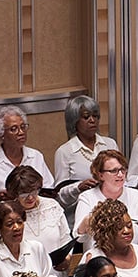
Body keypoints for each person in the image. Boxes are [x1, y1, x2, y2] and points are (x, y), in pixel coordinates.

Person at [3, 165, 74, 277]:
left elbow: (65, 238)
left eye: (34, 191)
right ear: (14, 193)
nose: (30, 197)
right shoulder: (9, 214)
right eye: (24, 193)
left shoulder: (52, 206)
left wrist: (67, 258)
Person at [74, 149, 138, 250]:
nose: (120, 175)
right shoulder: (87, 197)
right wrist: (90, 219)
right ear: (100, 175)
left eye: (122, 169)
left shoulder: (137, 196)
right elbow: (79, 237)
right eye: (114, 171)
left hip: (129, 256)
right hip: (99, 259)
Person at [53, 95, 117, 223]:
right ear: (74, 121)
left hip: (112, 216)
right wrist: (78, 187)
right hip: (80, 219)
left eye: (95, 115)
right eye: (86, 117)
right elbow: (60, 198)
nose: (92, 120)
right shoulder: (65, 152)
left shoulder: (110, 144)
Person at [0, 105, 54, 208]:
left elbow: (49, 188)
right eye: (13, 129)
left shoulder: (36, 156)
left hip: (37, 213)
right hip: (6, 218)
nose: (21, 132)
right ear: (1, 134)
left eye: (23, 127)